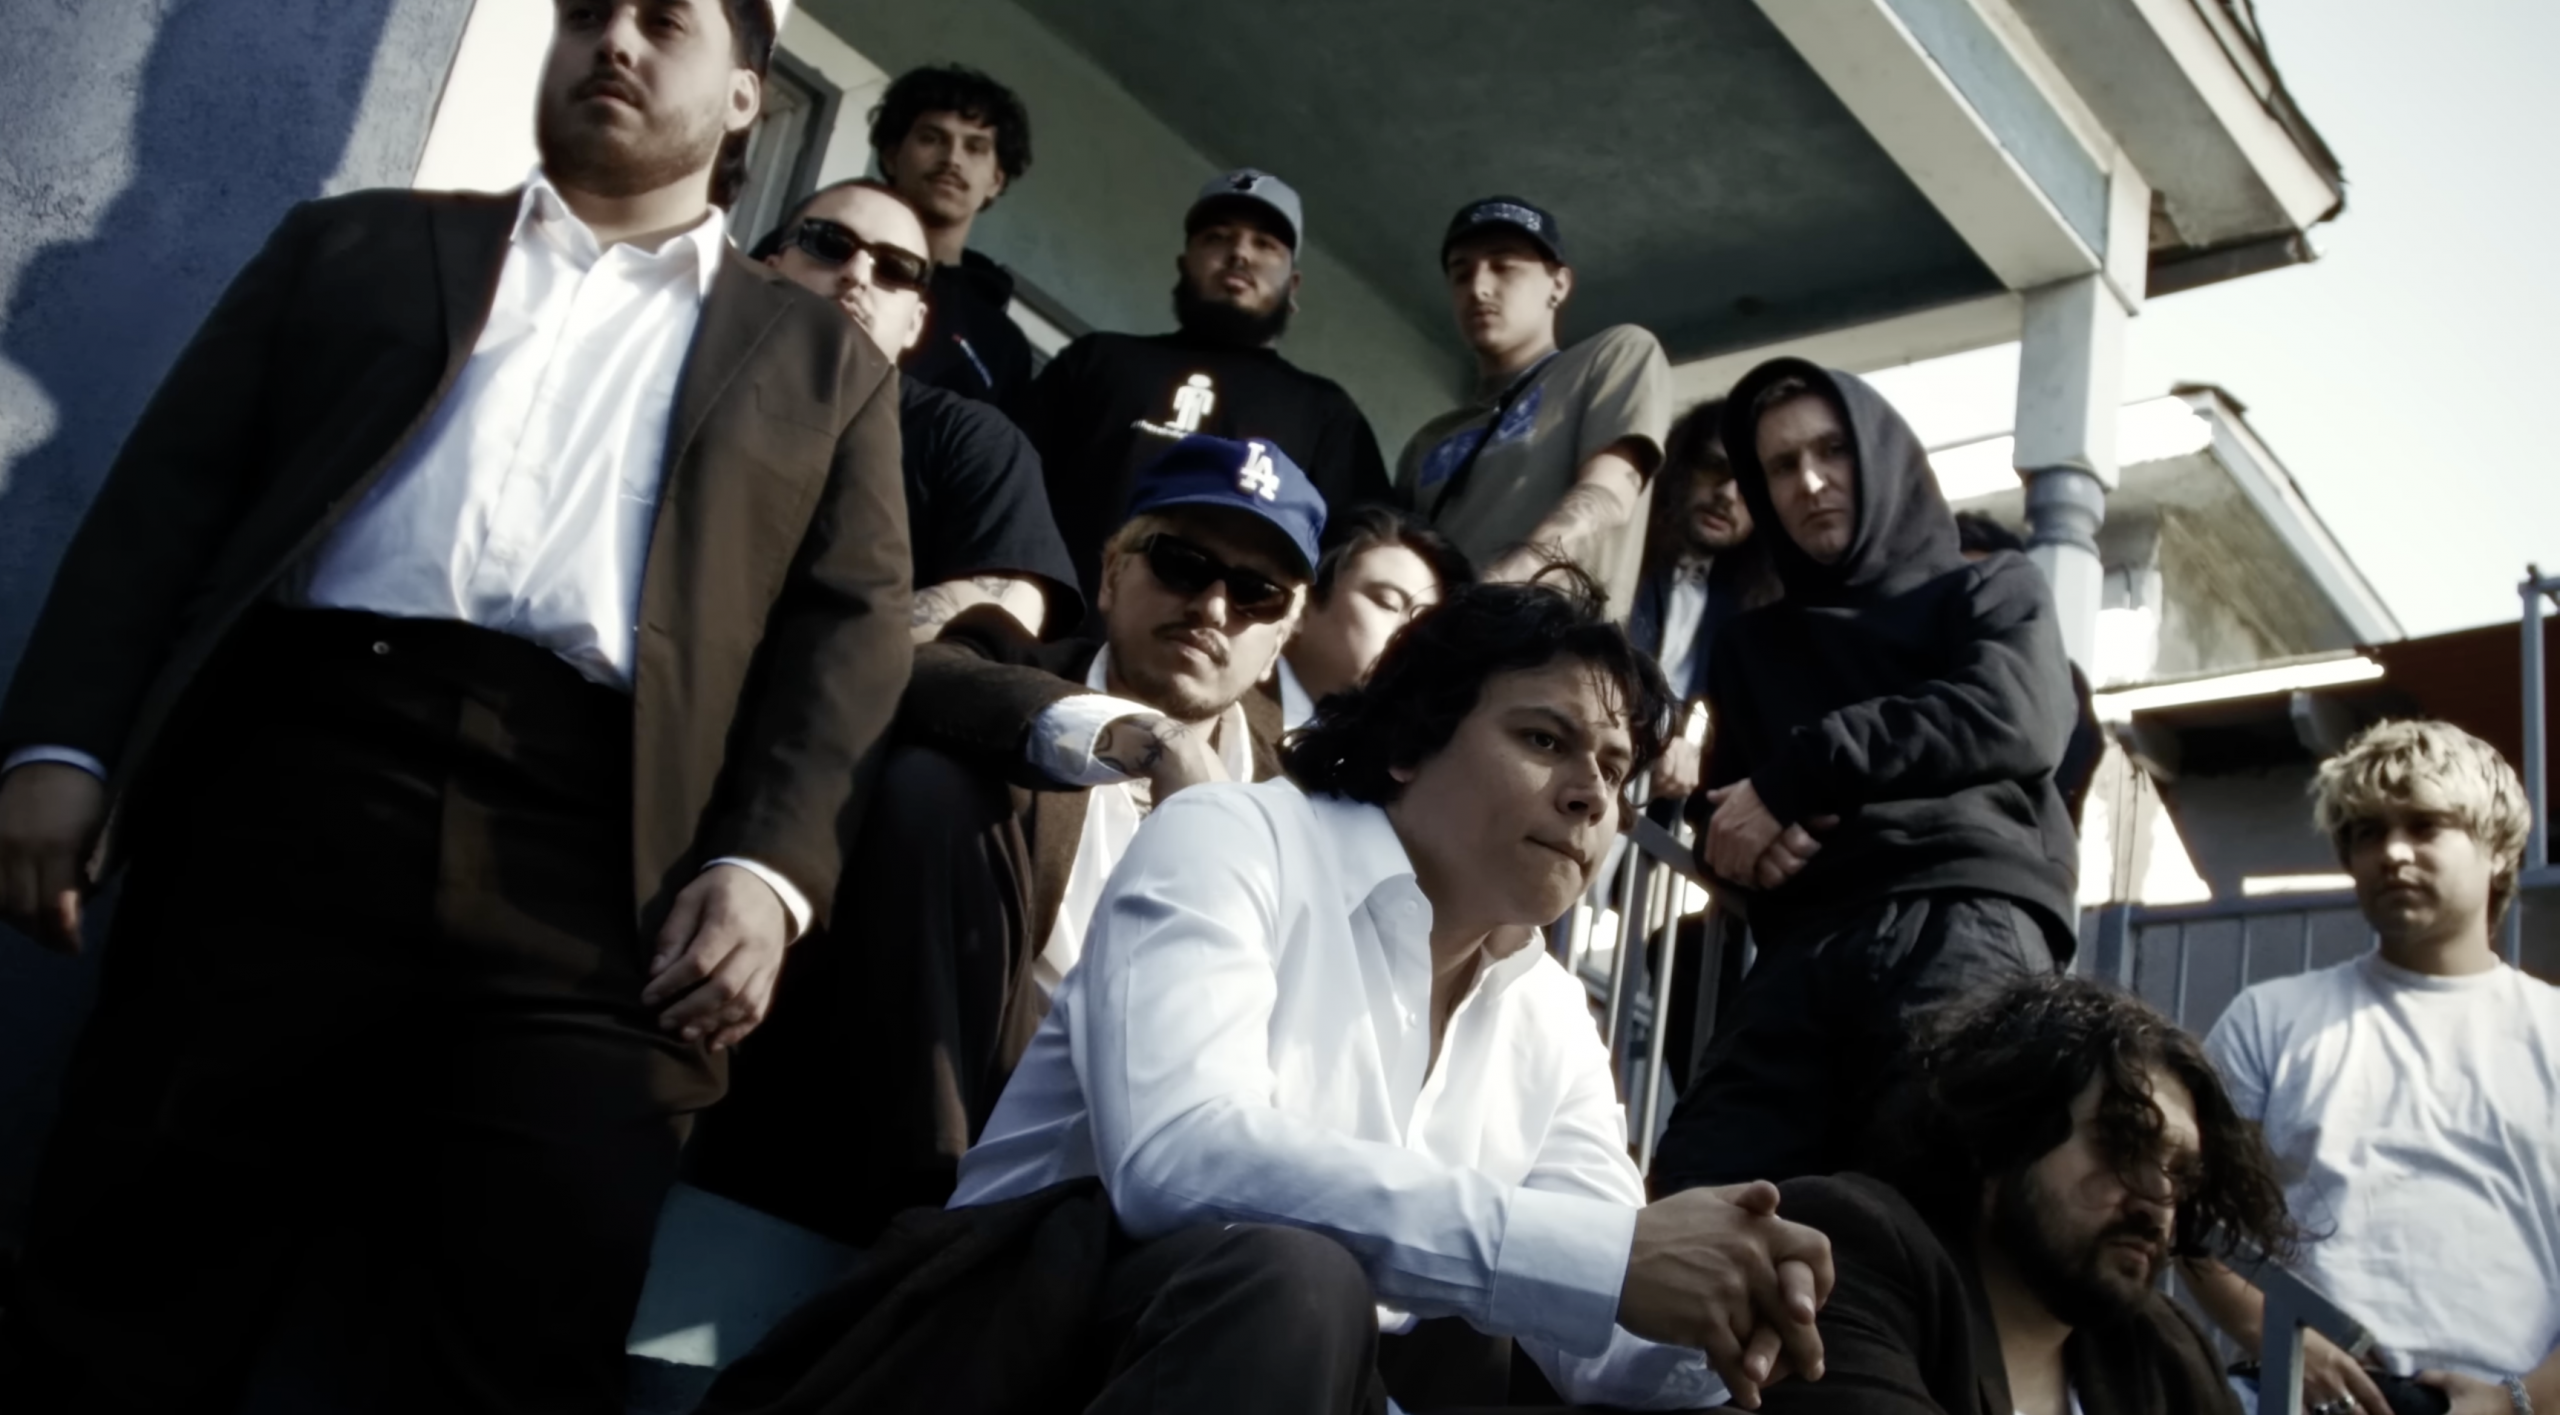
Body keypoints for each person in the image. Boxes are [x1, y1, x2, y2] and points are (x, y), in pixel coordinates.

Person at [0, 2, 913, 1410]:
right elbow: (162, 506)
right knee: (128, 1271)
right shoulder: (355, 246)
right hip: (291, 796)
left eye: (659, 21)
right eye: (586, 14)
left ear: (745, 98)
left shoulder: (821, 366)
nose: (611, 39)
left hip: (606, 874)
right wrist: (63, 742)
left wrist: (764, 867)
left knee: (513, 1341)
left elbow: (843, 642)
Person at [702, 575, 1837, 1415]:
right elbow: (1180, 1160)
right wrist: (1604, 1258)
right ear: (1406, 744)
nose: (1593, 796)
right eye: (1546, 738)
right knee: (1300, 1275)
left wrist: (1732, 1316)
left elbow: (1595, 1324)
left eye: (1618, 768)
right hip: (986, 1363)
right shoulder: (1230, 836)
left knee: (1464, 1350)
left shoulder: (1547, 1012)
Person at [689, 434, 1310, 1246]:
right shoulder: (1007, 658)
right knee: (930, 788)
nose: (1213, 608)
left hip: (1138, 1157)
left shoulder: (1299, 798)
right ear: (1114, 571)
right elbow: (911, 672)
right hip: (947, 1108)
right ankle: (923, 1224)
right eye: (1182, 565)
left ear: (1284, 635)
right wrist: (1143, 739)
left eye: (1258, 593)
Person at [1650, 358, 2078, 1194]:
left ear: (1881, 452)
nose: (1810, 482)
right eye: (1780, 465)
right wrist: (1742, 844)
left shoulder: (1991, 584)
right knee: (1700, 1191)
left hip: (1962, 913)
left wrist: (1802, 773)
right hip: (1802, 943)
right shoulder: (1752, 644)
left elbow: (2014, 715)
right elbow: (1727, 805)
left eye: (1831, 450)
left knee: (1931, 1210)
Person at [2187, 719, 2560, 1415]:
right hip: (2289, 1396)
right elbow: (2189, 1212)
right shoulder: (2270, 1016)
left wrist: (2518, 1401)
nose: (2392, 851)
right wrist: (2279, 1340)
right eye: (2366, 831)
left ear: (2498, 850)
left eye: (2425, 826)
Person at [1754, 974, 2299, 1415]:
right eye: (2123, 1143)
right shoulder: (1855, 1249)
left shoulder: (2162, 1349)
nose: (2158, 1198)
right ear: (2002, 1140)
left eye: (2181, 1174)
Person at [1008, 168, 1392, 609]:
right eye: (1217, 237)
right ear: (1184, 263)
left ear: (1294, 286)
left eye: (1264, 244)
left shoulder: (1326, 413)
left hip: (1209, 655)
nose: (1239, 254)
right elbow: (1009, 485)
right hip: (1047, 632)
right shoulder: (1099, 360)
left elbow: (1353, 563)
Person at [753, 178, 1080, 639]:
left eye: (896, 268)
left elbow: (1013, 602)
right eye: (829, 243)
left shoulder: (966, 436)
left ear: (916, 323)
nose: (857, 273)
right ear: (769, 270)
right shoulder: (682, 381)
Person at [1400, 196, 1673, 617]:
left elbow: (1608, 494)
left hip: (1553, 661)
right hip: (1435, 666)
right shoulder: (1427, 442)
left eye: (1504, 266)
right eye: (1461, 273)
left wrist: (1505, 583)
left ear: (1559, 284)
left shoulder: (1612, 355)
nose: (1478, 287)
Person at [1628, 398, 1775, 804]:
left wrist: (1688, 741)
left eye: (1750, 488)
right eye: (1715, 469)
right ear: (1681, 469)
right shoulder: (1627, 554)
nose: (1729, 495)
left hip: (1646, 822)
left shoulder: (1743, 607)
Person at [868, 63, 1037, 406]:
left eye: (975, 147)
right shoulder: (818, 248)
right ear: (890, 156)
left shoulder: (1001, 346)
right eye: (932, 138)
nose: (952, 159)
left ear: (996, 181)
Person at [1953, 512, 2101, 825]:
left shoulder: (2060, 684)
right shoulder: (1900, 672)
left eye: (1986, 583)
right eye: (1957, 585)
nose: (1973, 601)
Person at [1270, 505, 1473, 731]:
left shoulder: (1387, 760)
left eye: (1426, 622)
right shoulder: (1230, 711)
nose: (1411, 633)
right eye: (1388, 603)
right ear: (1302, 605)